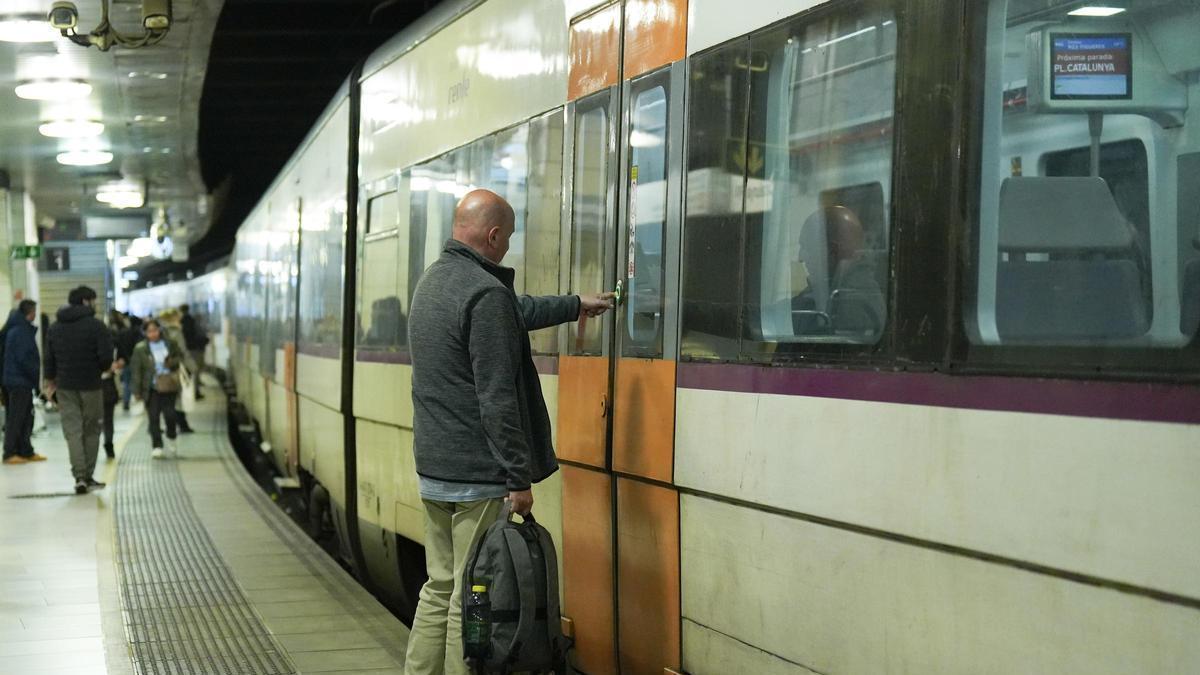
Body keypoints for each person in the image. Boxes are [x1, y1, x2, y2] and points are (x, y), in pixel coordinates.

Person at [405, 189, 614, 675]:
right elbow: (497, 399)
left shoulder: (433, 283)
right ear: (493, 235)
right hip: (478, 475)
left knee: (437, 587)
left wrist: (573, 304)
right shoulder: (486, 294)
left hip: (434, 470)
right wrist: (518, 478)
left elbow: (514, 312)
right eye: (509, 238)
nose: (508, 247)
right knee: (466, 592)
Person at [44, 286, 113, 495]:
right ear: (85, 301)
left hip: (65, 386)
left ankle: (79, 476)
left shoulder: (55, 327)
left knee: (73, 431)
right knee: (91, 430)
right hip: (91, 385)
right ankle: (88, 476)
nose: (95, 303)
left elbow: (49, 359)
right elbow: (105, 359)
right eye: (93, 300)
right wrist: (99, 369)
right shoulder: (97, 326)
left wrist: (51, 381)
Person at [129, 319, 185, 459]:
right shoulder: (140, 348)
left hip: (169, 386)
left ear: (160, 330)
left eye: (155, 330)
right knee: (153, 418)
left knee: (170, 415)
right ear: (145, 333)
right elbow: (136, 370)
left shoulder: (170, 344)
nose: (152, 334)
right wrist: (136, 390)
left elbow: (180, 358)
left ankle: (171, 436)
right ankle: (157, 446)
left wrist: (171, 363)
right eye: (149, 331)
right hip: (151, 388)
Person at [2, 300, 46, 464]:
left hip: (20, 381)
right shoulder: (20, 331)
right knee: (16, 418)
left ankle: (25, 450)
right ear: (31, 312)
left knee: (26, 417)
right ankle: (9, 452)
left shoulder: (19, 328)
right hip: (19, 381)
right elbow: (24, 359)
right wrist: (35, 376)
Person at [157, 308, 195, 433]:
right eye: (178, 317)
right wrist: (192, 367)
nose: (180, 319)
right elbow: (182, 352)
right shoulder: (175, 332)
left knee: (168, 398)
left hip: (163, 370)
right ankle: (180, 425)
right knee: (176, 398)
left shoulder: (163, 332)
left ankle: (171, 424)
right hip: (175, 370)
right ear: (173, 318)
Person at [112, 310, 141, 412]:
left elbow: (119, 347)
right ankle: (138, 398)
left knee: (127, 382)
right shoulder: (137, 333)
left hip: (126, 360)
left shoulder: (122, 333)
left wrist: (121, 358)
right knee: (135, 380)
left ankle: (126, 402)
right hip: (134, 360)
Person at [179, 304, 208, 400]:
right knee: (196, 370)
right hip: (195, 349)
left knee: (194, 369)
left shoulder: (182, 322)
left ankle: (194, 388)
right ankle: (196, 392)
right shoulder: (191, 321)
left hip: (188, 349)